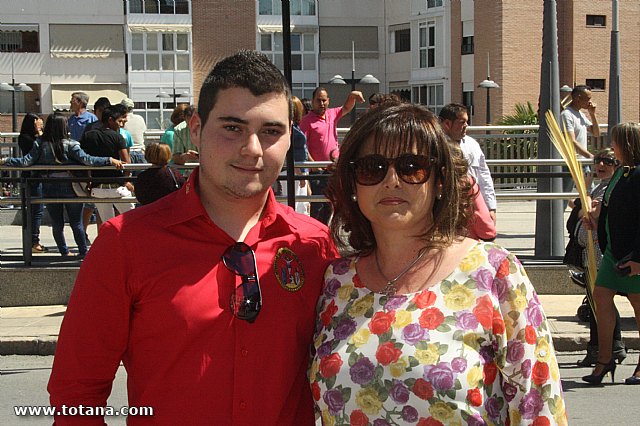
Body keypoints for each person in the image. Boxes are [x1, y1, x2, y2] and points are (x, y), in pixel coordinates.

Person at [48, 50, 338, 424]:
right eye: (232, 128)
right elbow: (76, 393)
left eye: (270, 131)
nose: (251, 149)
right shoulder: (126, 243)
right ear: (197, 129)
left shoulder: (315, 245)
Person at [310, 103, 567, 425]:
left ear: (441, 180)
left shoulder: (495, 273)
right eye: (372, 168)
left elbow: (538, 409)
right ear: (353, 183)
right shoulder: (337, 282)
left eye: (411, 167)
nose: (391, 180)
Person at [0, 114, 122, 257]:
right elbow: (88, 160)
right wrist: (109, 160)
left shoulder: (40, 143)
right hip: (70, 185)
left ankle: (64, 251)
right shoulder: (71, 144)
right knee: (76, 222)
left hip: (49, 185)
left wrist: (6, 160)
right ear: (63, 127)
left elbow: (25, 162)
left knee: (57, 222)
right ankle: (84, 252)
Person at [583, 122, 640, 386]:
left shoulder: (638, 174)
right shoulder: (620, 173)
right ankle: (604, 359)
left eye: (614, 141)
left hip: (633, 254)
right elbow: (610, 208)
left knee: (639, 306)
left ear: (626, 144)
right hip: (613, 251)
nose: (611, 146)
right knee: (601, 296)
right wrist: (595, 217)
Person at [566, 149, 626, 367]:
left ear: (616, 164)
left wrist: (584, 194)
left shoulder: (609, 187)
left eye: (607, 161)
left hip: (599, 252)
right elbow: (579, 207)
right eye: (597, 160)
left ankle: (601, 349)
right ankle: (611, 346)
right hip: (591, 250)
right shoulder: (601, 186)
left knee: (598, 301)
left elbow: (590, 212)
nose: (601, 163)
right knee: (600, 300)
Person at [300, 87, 365, 224]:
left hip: (332, 168)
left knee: (330, 204)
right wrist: (313, 165)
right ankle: (316, 233)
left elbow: (346, 108)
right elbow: (303, 146)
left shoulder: (332, 114)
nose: (321, 103)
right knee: (317, 206)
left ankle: (326, 232)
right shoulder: (306, 121)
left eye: (324, 100)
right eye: (318, 100)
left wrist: (352, 96)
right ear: (312, 101)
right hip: (317, 171)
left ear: (328, 101)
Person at [439, 103, 497, 224]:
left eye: (467, 122)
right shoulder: (435, 146)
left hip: (473, 208)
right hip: (444, 210)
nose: (466, 126)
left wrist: (491, 208)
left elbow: (484, 176)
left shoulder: (473, 145)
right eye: (462, 122)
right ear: (447, 124)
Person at [80, 105, 135, 224]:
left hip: (97, 187)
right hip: (117, 185)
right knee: (131, 220)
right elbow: (127, 161)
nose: (121, 125)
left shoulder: (88, 135)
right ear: (110, 120)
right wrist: (126, 180)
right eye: (119, 121)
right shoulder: (118, 136)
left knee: (108, 223)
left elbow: (84, 160)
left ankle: (110, 242)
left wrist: (88, 181)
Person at [560, 85, 600, 197]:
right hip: (571, 162)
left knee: (589, 194)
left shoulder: (580, 114)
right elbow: (570, 141)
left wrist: (592, 114)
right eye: (588, 98)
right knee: (564, 194)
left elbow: (596, 133)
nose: (589, 102)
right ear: (578, 98)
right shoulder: (567, 115)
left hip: (583, 162)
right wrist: (590, 156)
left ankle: (583, 213)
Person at [18, 112, 46, 253]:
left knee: (36, 211)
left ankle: (33, 241)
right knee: (36, 211)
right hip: (31, 178)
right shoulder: (26, 138)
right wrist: (40, 132)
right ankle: (33, 241)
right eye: (38, 122)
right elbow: (40, 148)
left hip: (37, 177)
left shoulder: (31, 138)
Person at [121, 97, 147, 163]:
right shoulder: (140, 118)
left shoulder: (121, 120)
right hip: (140, 151)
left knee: (127, 172)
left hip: (127, 153)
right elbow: (144, 132)